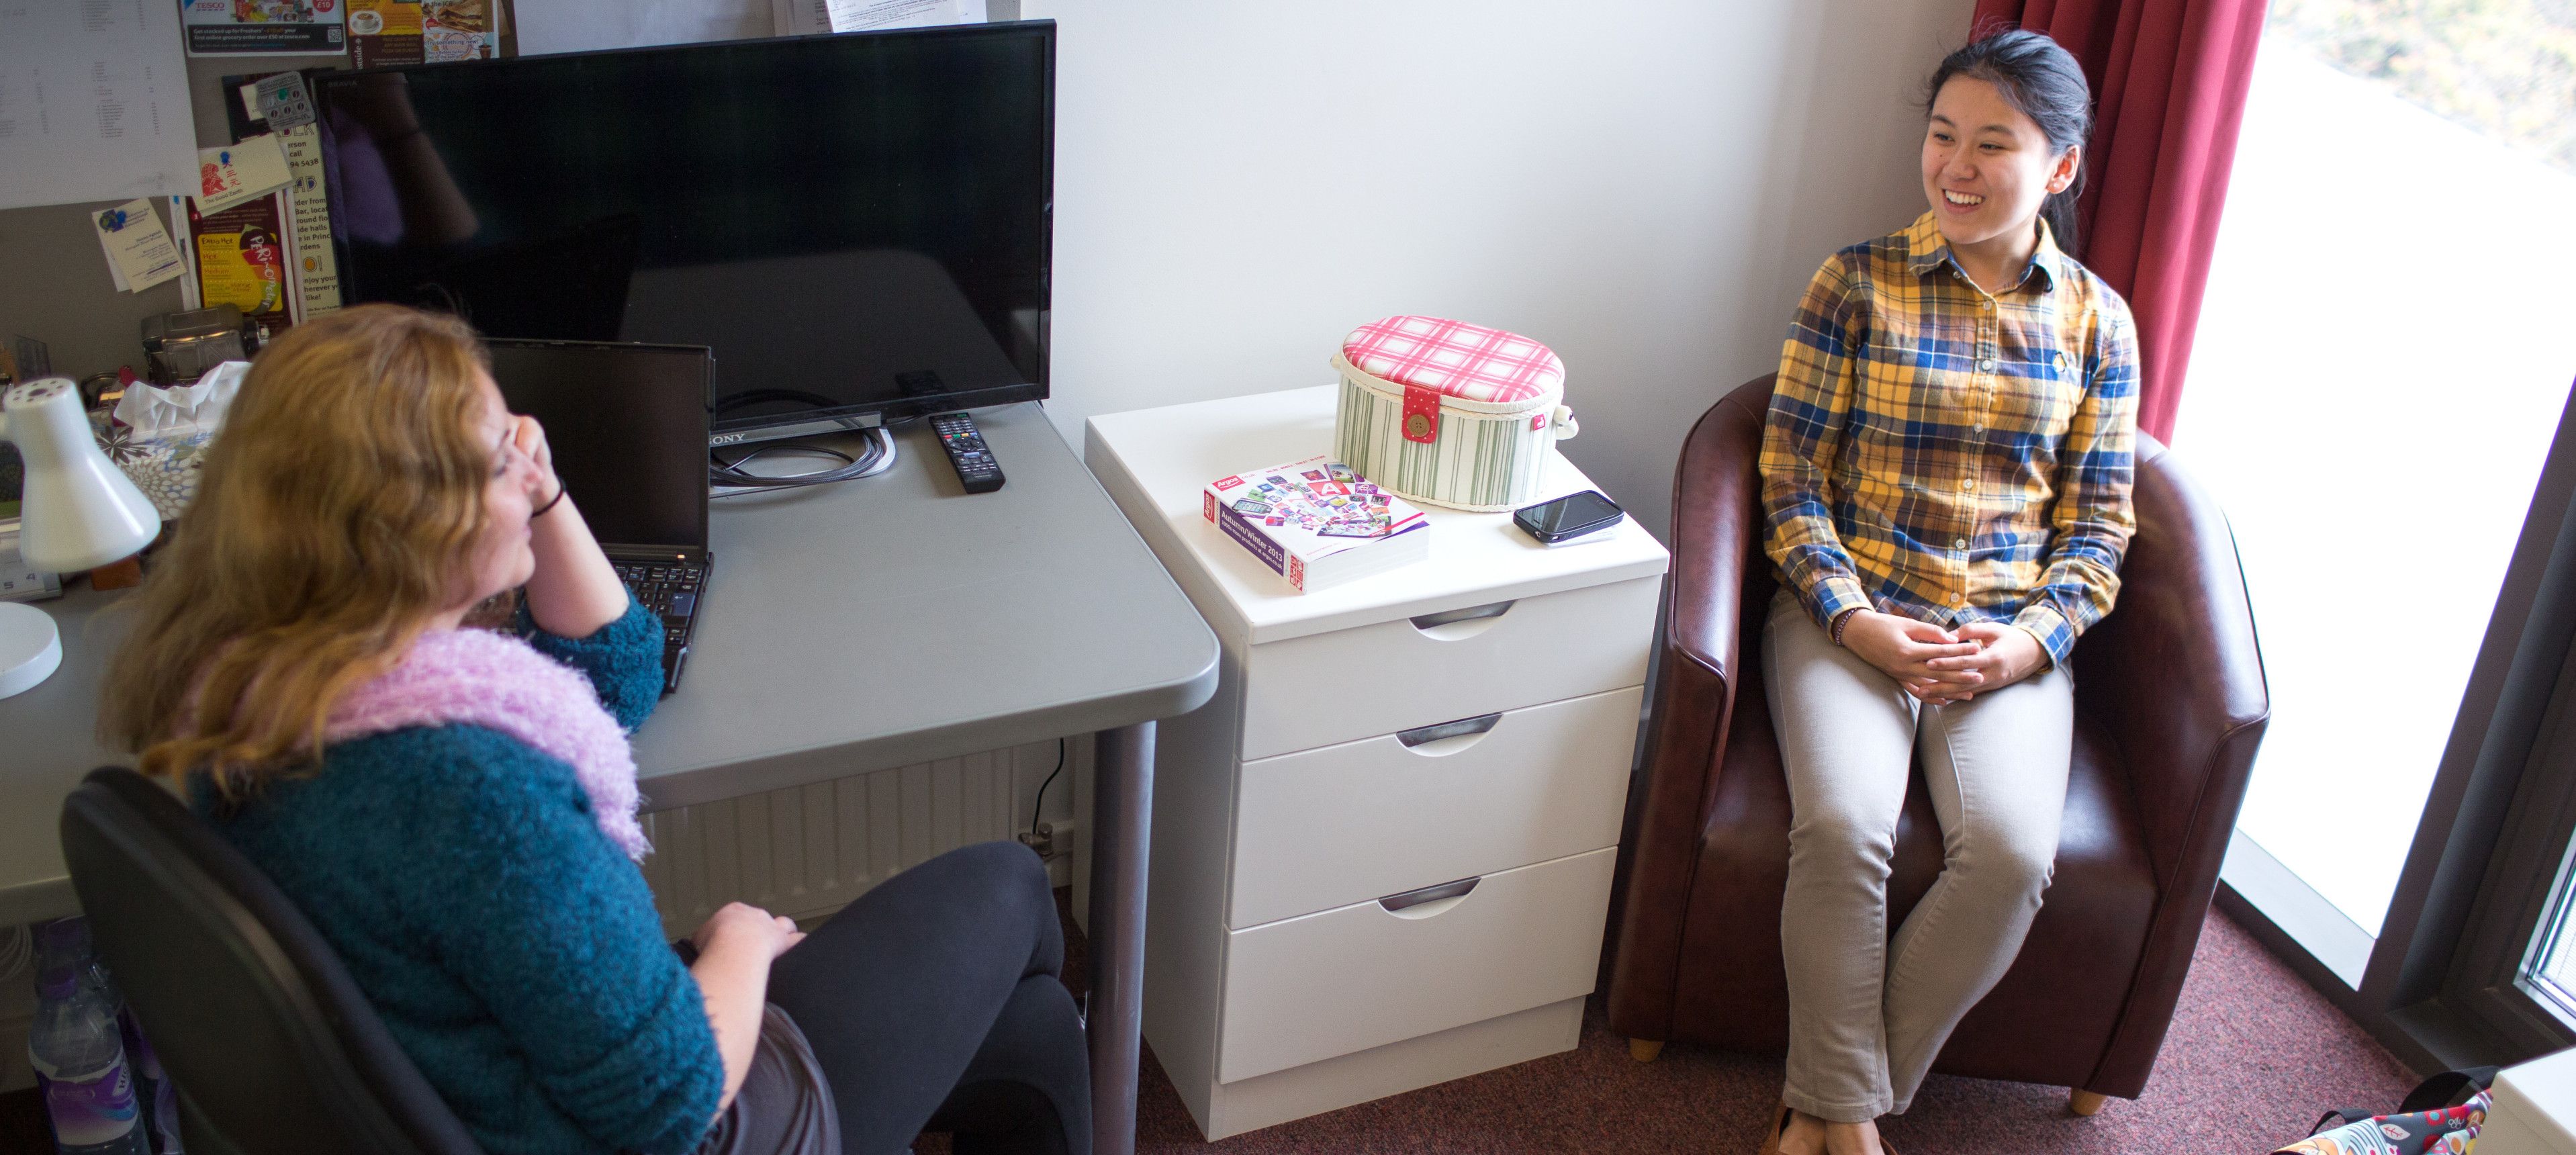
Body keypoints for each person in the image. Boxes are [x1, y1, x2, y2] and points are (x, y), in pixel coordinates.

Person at [101, 304, 1089, 1155]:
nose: (525, 464)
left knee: (1035, 1022)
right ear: (419, 525)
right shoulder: (472, 786)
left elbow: (617, 672)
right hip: (673, 1119)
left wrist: (547, 492)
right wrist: (737, 946)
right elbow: (673, 1100)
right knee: (1010, 884)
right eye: (501, 460)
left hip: (490, 1079)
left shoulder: (261, 692)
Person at [1751, 29, 2138, 1155]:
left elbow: (2098, 528)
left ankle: (1826, 1106)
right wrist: (1858, 622)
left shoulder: (2097, 325)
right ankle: (1853, 1132)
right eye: (1940, 136)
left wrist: (2027, 647)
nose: (1955, 168)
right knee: (1842, 825)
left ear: (2059, 168)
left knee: (2015, 858)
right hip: (1848, 613)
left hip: (2005, 641)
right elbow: (1789, 481)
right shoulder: (1855, 282)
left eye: (1992, 145)